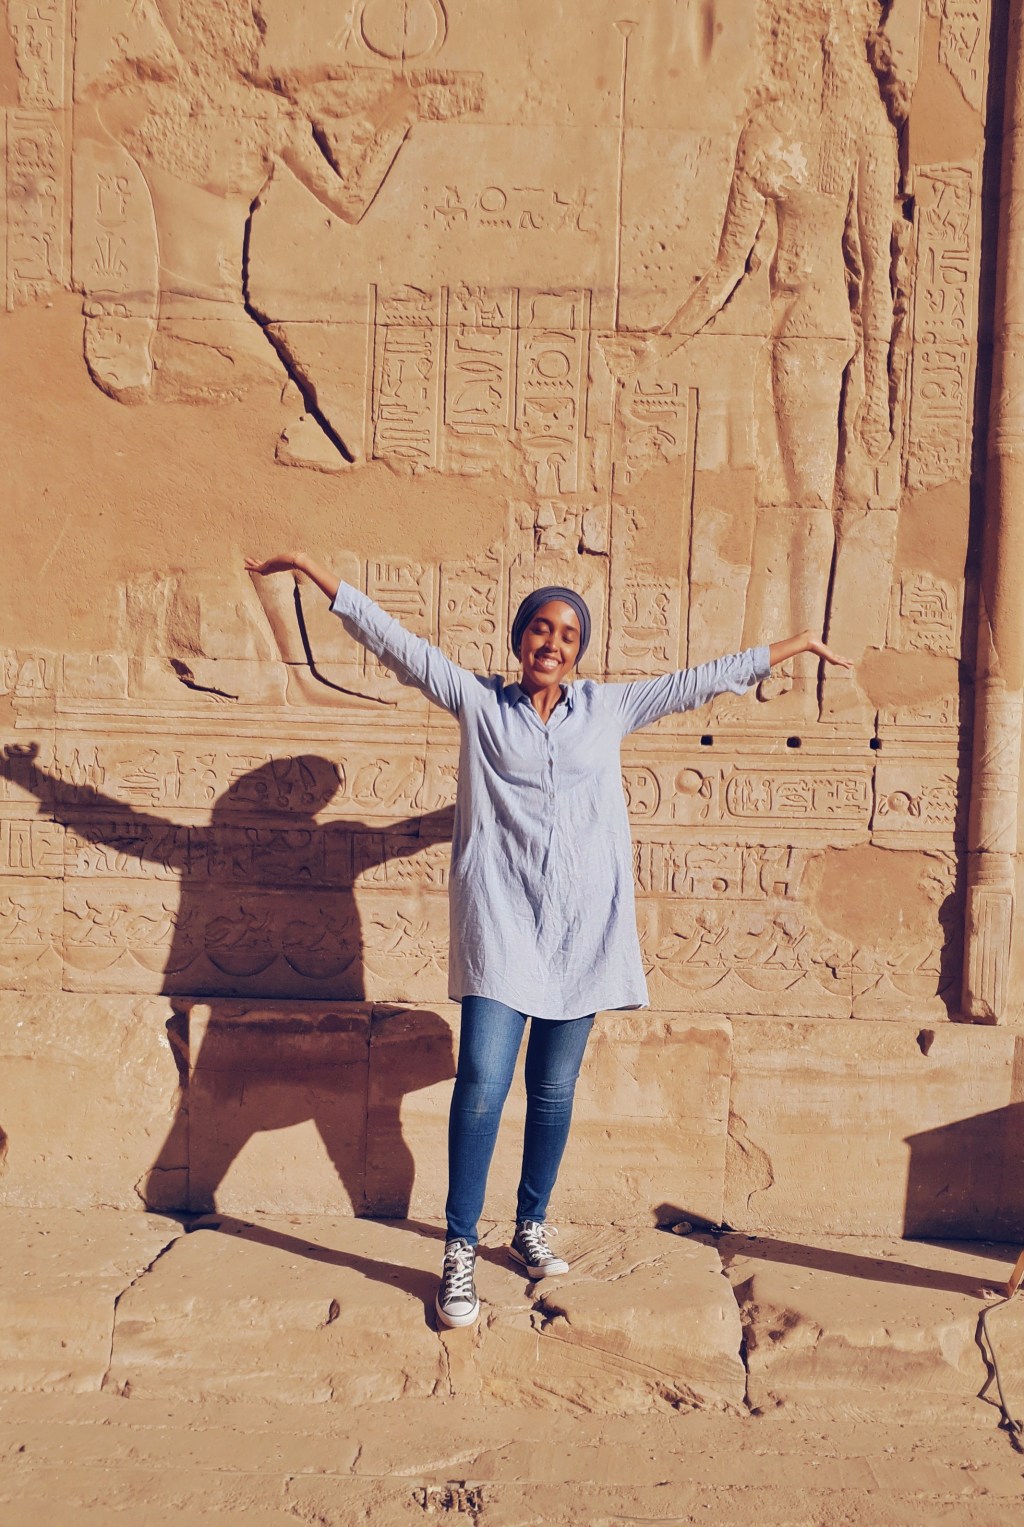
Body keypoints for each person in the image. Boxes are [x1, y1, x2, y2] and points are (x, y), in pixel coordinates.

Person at [245, 550, 853, 1328]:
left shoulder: (607, 709)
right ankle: (459, 1248)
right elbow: (398, 644)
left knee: (553, 1090)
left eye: (568, 633)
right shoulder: (479, 704)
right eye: (541, 627)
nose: (553, 642)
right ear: (520, 637)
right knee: (482, 1083)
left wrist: (793, 645)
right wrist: (310, 570)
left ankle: (530, 1224)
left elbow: (697, 681)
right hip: (502, 925)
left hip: (583, 928)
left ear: (579, 650)